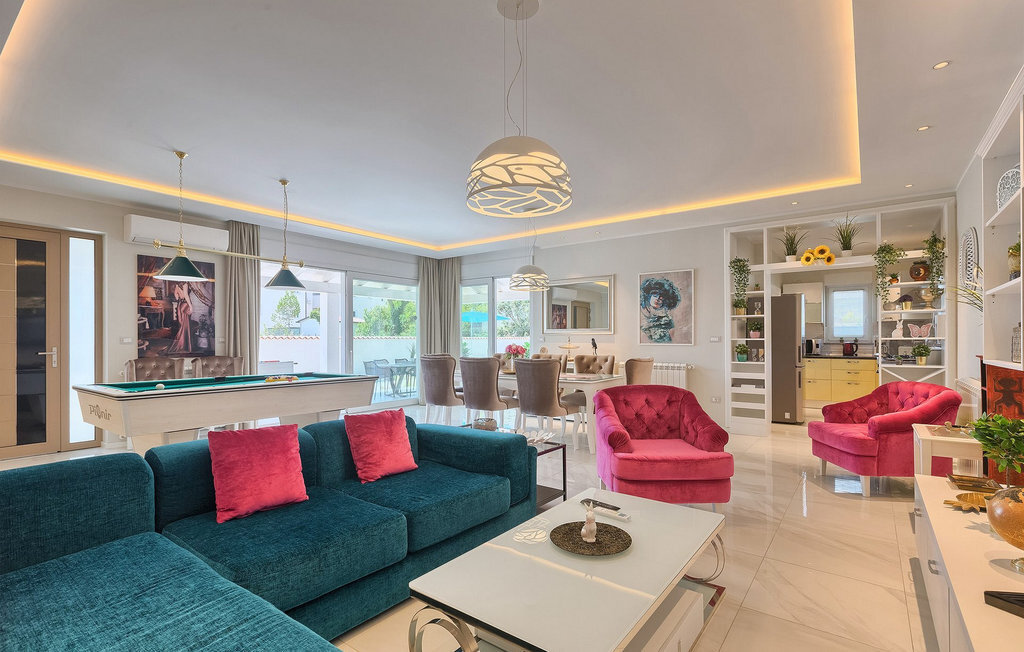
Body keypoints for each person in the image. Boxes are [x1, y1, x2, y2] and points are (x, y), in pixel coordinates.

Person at [640, 277, 681, 343]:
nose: (657, 299)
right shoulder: (641, 315)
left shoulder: (667, 321)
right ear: (649, 296)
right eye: (655, 295)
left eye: (661, 299)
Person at [168, 282, 193, 353]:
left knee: (182, 325)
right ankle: (183, 345)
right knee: (185, 326)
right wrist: (190, 306)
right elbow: (186, 295)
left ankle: (182, 343)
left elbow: (176, 295)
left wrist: (179, 297)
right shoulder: (185, 284)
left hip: (180, 304)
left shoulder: (177, 285)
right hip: (185, 304)